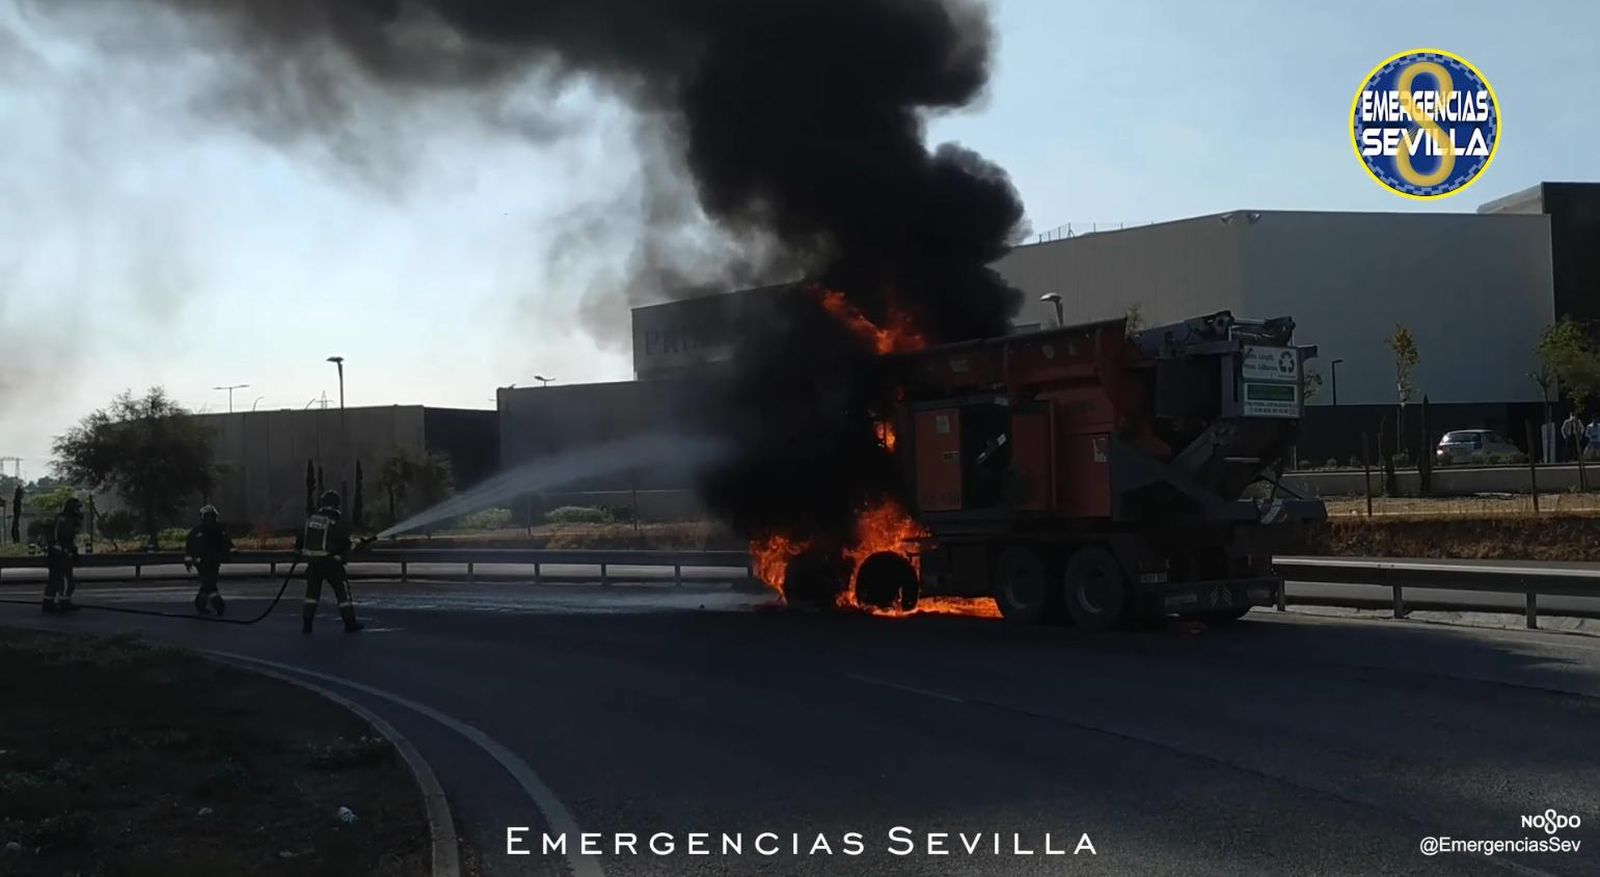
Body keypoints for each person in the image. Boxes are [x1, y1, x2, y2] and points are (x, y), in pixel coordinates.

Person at [297, 490, 364, 634]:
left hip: (313, 564)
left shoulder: (311, 519)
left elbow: (300, 540)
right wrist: (355, 545)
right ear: (336, 504)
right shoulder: (335, 520)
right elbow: (344, 543)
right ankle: (349, 624)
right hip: (331, 564)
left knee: (311, 596)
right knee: (342, 594)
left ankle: (307, 626)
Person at [184, 504, 234, 616]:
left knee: (208, 584)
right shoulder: (197, 531)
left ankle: (200, 605)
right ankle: (218, 605)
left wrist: (230, 553)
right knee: (209, 583)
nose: (209, 519)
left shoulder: (219, 530)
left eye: (211, 517)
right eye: (207, 517)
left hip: (214, 561)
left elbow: (226, 543)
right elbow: (189, 546)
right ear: (202, 518)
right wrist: (188, 559)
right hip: (201, 562)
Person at [42, 497, 84, 613]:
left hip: (55, 552)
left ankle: (48, 603)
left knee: (54, 579)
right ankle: (64, 602)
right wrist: (70, 551)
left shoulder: (60, 518)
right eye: (77, 508)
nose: (79, 511)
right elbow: (65, 537)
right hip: (61, 553)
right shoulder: (67, 521)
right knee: (66, 579)